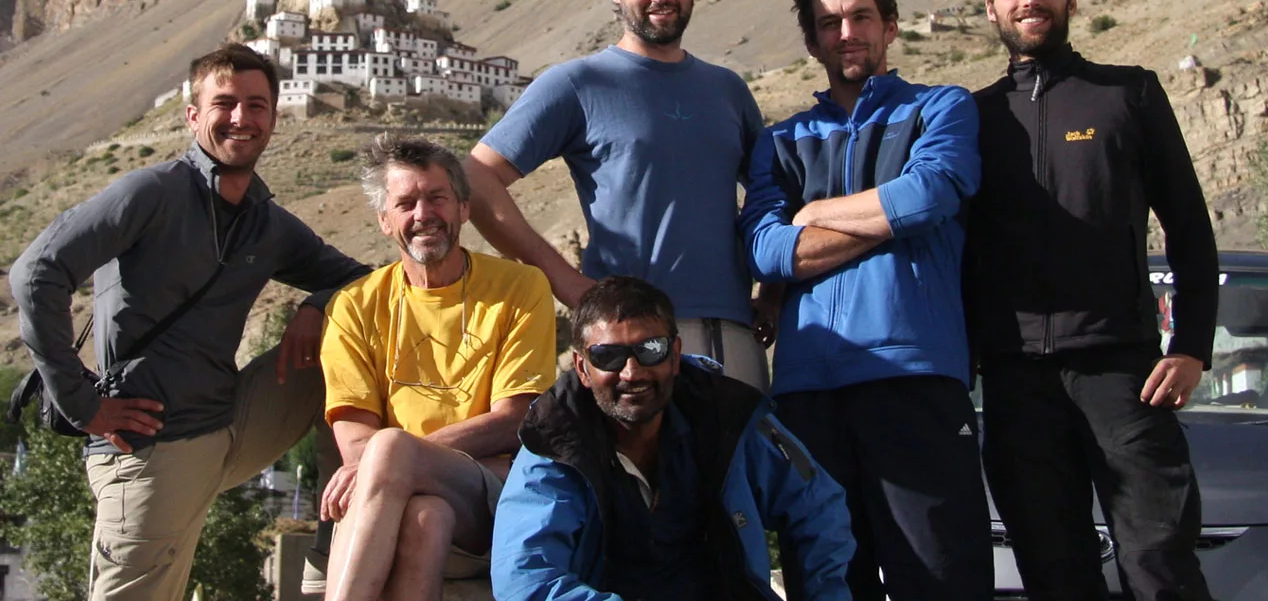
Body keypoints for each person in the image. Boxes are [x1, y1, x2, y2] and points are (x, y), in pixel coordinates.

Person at [9, 43, 371, 601]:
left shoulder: (266, 221)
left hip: (229, 425)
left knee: (345, 342)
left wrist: (317, 304)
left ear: (274, 117)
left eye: (256, 105)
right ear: (193, 116)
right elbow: (36, 273)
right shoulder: (150, 193)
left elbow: (367, 282)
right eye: (224, 103)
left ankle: (333, 552)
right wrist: (82, 403)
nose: (241, 118)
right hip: (149, 447)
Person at [966, 0, 1217, 601]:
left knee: (1160, 564)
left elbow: (1190, 227)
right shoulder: (969, 119)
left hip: (1123, 373)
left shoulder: (1128, 95)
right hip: (1015, 385)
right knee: (1054, 575)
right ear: (991, 7)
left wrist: (1193, 346)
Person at [738, 0, 992, 601]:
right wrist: (884, 217)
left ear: (891, 26)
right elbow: (767, 251)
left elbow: (931, 194)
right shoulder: (781, 140)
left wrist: (816, 214)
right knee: (827, 581)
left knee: (939, 577)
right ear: (811, 40)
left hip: (915, 377)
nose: (846, 33)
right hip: (806, 393)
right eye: (829, 23)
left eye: (861, 17)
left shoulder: (943, 108)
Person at [465, 0, 772, 391]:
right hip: (628, 342)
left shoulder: (728, 89)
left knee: (741, 467)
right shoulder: (577, 83)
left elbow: (771, 197)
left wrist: (772, 292)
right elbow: (477, 177)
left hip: (732, 333)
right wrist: (565, 282)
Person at [490, 276, 854, 601]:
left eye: (651, 350)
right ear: (583, 367)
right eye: (608, 356)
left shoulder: (725, 415)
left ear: (675, 355)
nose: (632, 373)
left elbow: (817, 504)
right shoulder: (554, 441)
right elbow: (524, 579)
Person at [317, 133, 557, 601]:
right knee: (427, 517)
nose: (423, 214)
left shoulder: (521, 287)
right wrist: (390, 462)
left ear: (464, 208)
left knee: (389, 451)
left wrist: (397, 456)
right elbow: (354, 442)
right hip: (398, 497)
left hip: (491, 489)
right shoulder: (354, 306)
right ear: (385, 221)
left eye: (437, 197)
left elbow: (514, 420)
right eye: (405, 203)